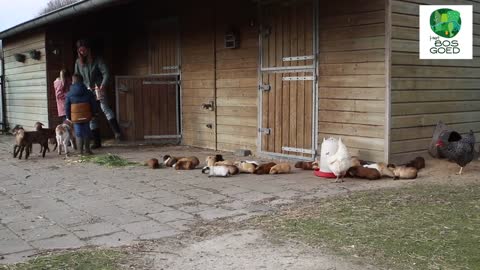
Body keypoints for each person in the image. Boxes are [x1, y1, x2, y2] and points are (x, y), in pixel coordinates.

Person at [74, 39, 121, 149]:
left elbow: (106, 73)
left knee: (105, 108)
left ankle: (117, 132)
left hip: (99, 88)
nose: (82, 52)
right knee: (92, 115)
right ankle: (97, 142)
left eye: (84, 50)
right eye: (80, 51)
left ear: (88, 49)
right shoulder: (78, 62)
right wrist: (78, 90)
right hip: (87, 91)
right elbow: (76, 77)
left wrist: (102, 85)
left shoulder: (97, 60)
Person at [65, 74, 99, 155]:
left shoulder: (69, 94)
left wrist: (68, 117)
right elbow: (93, 104)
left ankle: (80, 151)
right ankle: (87, 150)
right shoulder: (89, 92)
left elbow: (67, 106)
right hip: (86, 116)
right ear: (82, 81)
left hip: (75, 117)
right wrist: (94, 114)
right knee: (86, 130)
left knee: (78, 132)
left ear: (73, 81)